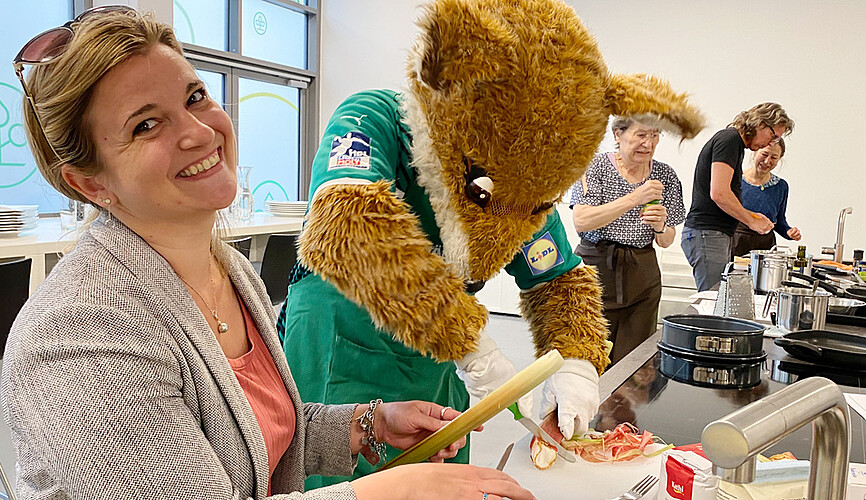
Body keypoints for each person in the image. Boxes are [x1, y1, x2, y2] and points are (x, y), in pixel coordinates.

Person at [1, 7, 535, 500]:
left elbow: (258, 440)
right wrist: (386, 492)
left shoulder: (229, 272)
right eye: (146, 124)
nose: (199, 130)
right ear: (89, 184)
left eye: (193, 97)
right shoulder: (76, 335)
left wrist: (367, 424)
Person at [278, 0, 705, 489]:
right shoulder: (373, 119)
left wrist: (578, 363)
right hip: (343, 338)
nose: (512, 219)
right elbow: (346, 229)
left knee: (442, 479)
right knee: (350, 485)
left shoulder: (528, 189)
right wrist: (472, 346)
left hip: (439, 353)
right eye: (487, 190)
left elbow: (559, 275)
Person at [568, 117, 686, 364]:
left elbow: (666, 240)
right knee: (585, 358)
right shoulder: (595, 166)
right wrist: (634, 198)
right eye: (641, 135)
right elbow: (582, 220)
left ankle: (625, 404)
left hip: (642, 273)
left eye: (654, 136)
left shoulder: (665, 174)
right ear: (618, 134)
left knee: (635, 363)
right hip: (596, 268)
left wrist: (660, 225)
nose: (648, 143)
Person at [681, 102, 795, 291]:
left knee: (718, 300)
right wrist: (751, 221)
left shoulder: (735, 144)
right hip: (708, 233)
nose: (770, 143)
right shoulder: (730, 139)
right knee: (712, 301)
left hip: (714, 234)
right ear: (760, 124)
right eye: (772, 136)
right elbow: (719, 193)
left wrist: (752, 215)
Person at [731, 138, 802, 256]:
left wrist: (789, 232)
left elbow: (779, 221)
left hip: (766, 247)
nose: (767, 161)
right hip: (736, 242)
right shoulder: (736, 180)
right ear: (754, 152)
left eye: (774, 158)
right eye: (764, 154)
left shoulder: (781, 186)